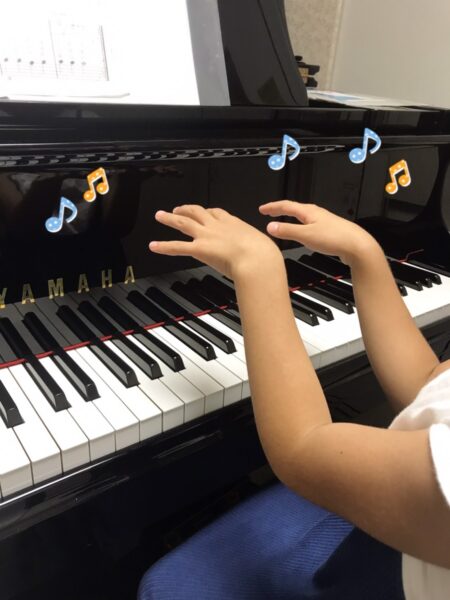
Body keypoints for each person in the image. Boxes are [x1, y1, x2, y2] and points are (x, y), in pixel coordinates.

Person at [138, 201, 450, 600]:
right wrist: (364, 253)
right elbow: (428, 383)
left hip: (383, 577)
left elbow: (301, 448)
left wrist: (258, 267)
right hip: (414, 541)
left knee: (169, 586)